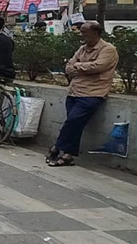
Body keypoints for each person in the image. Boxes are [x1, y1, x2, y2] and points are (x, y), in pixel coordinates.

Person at [46, 22, 118, 167]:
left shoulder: (108, 49)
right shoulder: (82, 49)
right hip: (74, 91)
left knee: (72, 121)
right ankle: (68, 155)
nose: (81, 35)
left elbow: (97, 66)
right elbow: (68, 66)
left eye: (85, 32)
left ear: (95, 33)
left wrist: (78, 66)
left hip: (92, 93)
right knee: (75, 124)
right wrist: (78, 67)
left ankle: (56, 147)